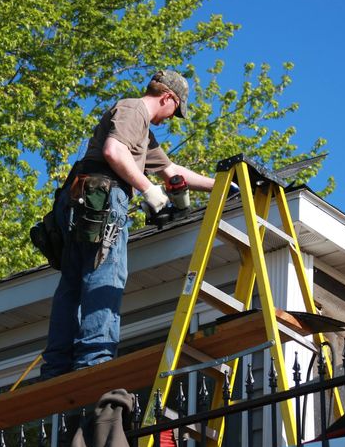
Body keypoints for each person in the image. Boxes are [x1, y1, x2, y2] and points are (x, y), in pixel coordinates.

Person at [39, 70, 215, 380]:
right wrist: (150, 191)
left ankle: (57, 367)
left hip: (84, 200)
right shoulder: (134, 110)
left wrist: (224, 184)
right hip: (101, 198)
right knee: (106, 276)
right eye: (176, 111)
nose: (171, 119)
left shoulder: (144, 134)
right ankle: (95, 362)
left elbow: (173, 171)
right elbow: (114, 151)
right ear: (167, 98)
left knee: (74, 282)